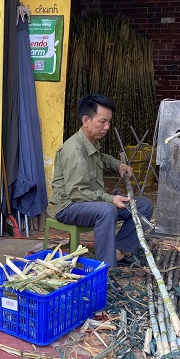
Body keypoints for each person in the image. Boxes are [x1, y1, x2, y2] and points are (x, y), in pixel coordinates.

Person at [49, 93, 153, 267]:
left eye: (109, 122)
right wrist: (110, 199)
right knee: (107, 211)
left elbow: (101, 158)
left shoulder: (90, 142)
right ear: (86, 120)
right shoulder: (73, 150)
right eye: (102, 121)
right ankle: (105, 269)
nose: (107, 127)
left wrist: (119, 165)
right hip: (69, 206)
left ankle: (118, 252)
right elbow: (77, 193)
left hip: (89, 202)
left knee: (144, 205)